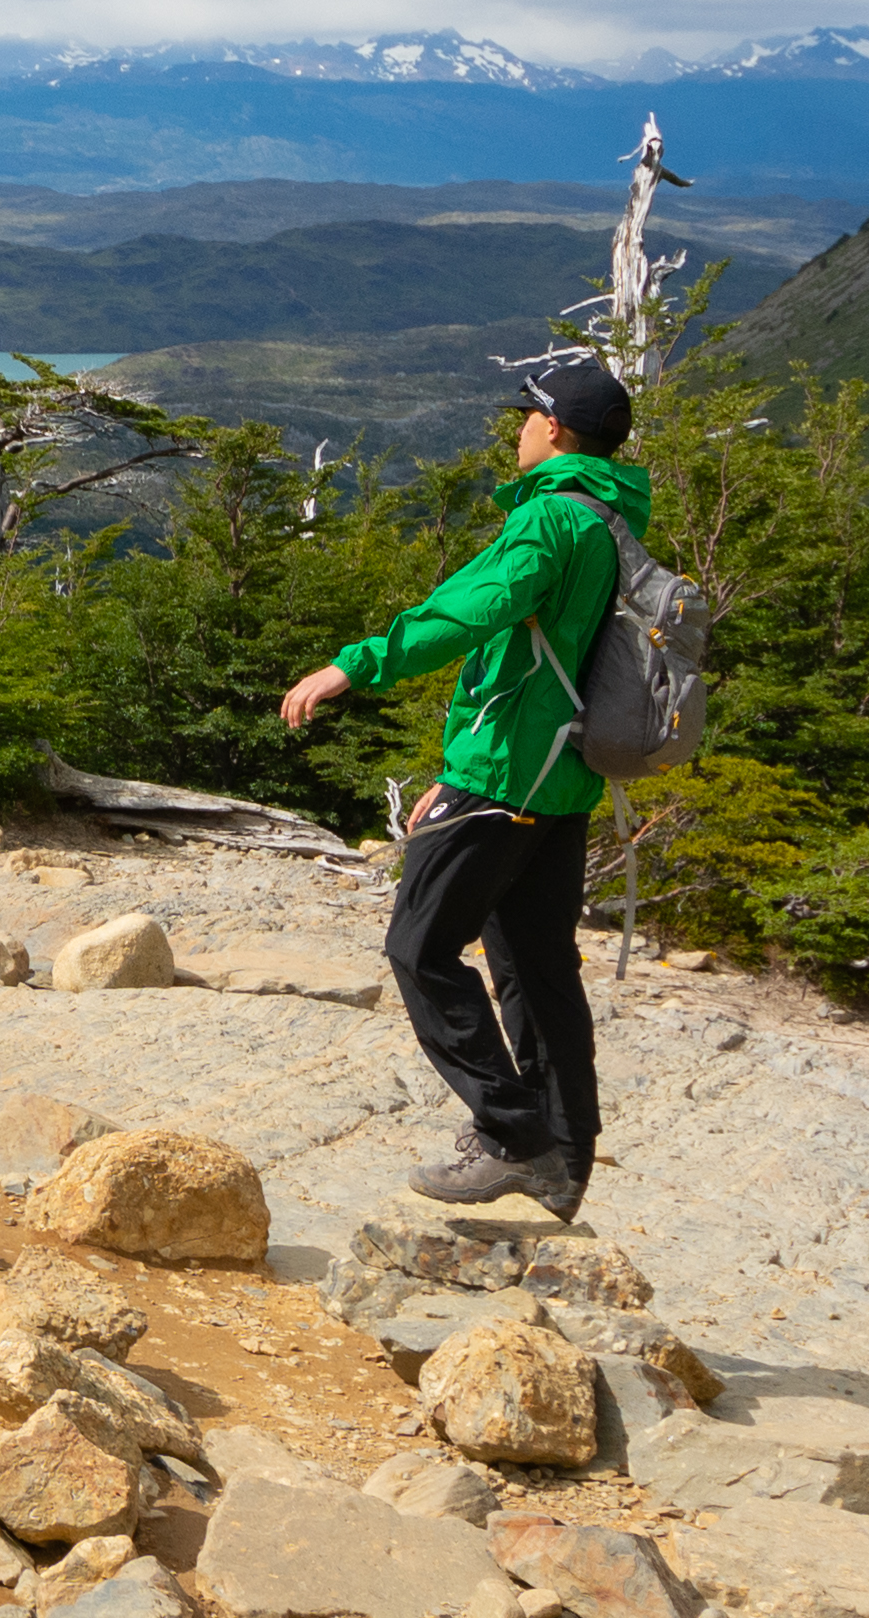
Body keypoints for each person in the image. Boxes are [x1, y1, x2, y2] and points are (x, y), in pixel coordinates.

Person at [277, 346, 655, 1222]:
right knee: (537, 968)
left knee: (419, 949)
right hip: (561, 782)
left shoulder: (550, 519)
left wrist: (354, 666)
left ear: (553, 428)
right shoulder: (613, 517)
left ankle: (514, 1138)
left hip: (506, 778)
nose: (518, 429)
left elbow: (469, 611)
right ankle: (565, 1157)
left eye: (527, 415)